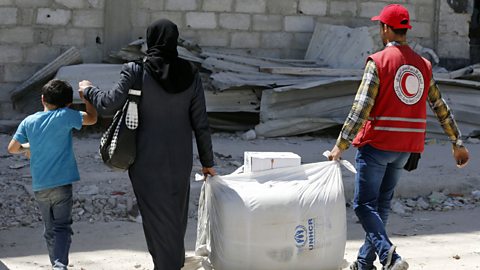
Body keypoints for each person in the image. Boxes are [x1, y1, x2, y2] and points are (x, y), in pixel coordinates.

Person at [328, 4, 470, 270]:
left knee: (362, 205)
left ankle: (390, 257)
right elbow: (440, 106)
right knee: (380, 205)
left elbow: (361, 107)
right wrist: (456, 142)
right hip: (406, 149)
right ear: (405, 30)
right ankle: (363, 263)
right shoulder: (424, 65)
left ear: (385, 29)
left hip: (377, 145)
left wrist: (340, 145)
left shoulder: (378, 62)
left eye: (379, 26)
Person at [79, 19, 216, 270]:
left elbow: (109, 104)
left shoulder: (136, 70)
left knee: (156, 219)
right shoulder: (191, 73)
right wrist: (208, 163)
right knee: (175, 219)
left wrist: (89, 91)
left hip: (146, 161)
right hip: (180, 160)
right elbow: (201, 123)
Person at [7, 79, 97, 270]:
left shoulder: (28, 121)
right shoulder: (66, 115)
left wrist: (28, 147)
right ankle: (59, 265)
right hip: (62, 185)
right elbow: (92, 118)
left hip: (40, 187)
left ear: (42, 99)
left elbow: (12, 148)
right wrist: (88, 97)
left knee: (49, 231)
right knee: (62, 227)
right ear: (68, 103)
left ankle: (55, 264)